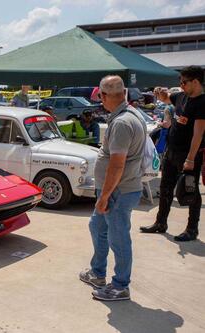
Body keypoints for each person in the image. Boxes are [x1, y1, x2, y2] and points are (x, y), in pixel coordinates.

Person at [80, 75, 146, 301]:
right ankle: (98, 272)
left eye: (100, 97)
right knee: (97, 227)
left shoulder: (121, 123)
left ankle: (120, 285)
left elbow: (117, 164)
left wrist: (105, 196)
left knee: (118, 238)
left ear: (105, 95)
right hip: (116, 190)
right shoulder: (128, 115)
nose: (100, 102)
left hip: (118, 191)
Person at [140, 66, 205, 241]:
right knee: (165, 187)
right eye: (180, 81)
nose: (181, 85)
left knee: (190, 191)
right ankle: (160, 223)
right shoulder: (181, 96)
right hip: (172, 151)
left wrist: (191, 159)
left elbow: (198, 134)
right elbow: (167, 98)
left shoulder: (202, 103)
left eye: (184, 82)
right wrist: (159, 93)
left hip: (189, 155)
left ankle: (192, 229)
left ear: (196, 82)